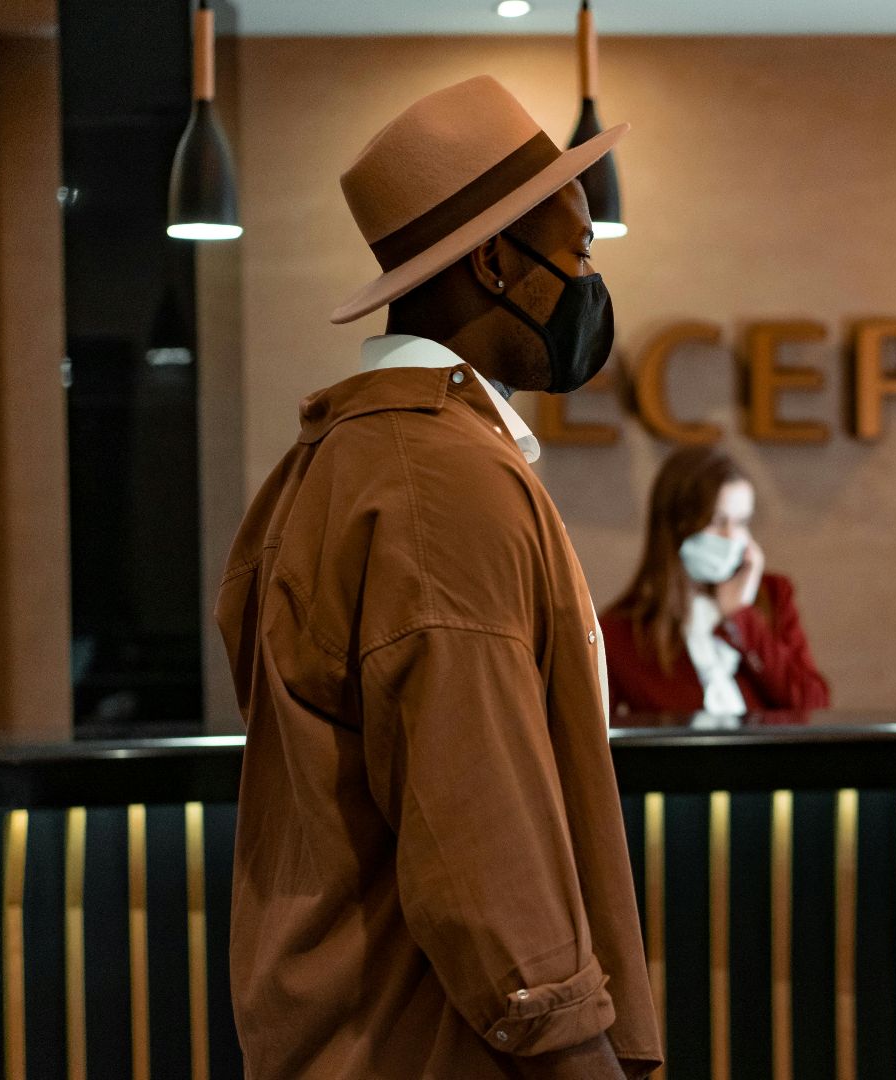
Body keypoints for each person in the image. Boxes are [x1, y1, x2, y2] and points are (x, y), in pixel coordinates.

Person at [215, 76, 660, 1079]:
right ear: (497, 262)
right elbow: (480, 831)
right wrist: (578, 1054)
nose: (590, 284)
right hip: (430, 1049)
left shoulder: (350, 456)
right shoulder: (438, 484)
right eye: (577, 250)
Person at [602, 446, 829, 717]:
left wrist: (741, 617)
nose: (732, 537)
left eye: (742, 522)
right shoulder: (620, 631)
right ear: (677, 525)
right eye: (717, 521)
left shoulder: (773, 594)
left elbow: (813, 705)